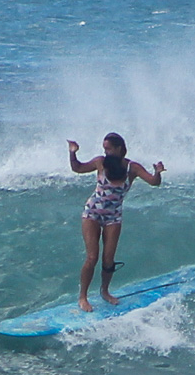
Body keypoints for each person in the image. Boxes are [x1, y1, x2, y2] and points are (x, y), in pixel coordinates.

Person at [67, 132, 166, 312]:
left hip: (113, 216)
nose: (106, 152)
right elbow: (78, 168)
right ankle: (83, 297)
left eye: (109, 149)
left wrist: (157, 173)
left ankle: (105, 291)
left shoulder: (132, 168)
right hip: (92, 213)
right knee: (92, 257)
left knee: (108, 259)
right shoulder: (100, 163)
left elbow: (154, 182)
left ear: (119, 148)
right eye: (104, 149)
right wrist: (73, 152)